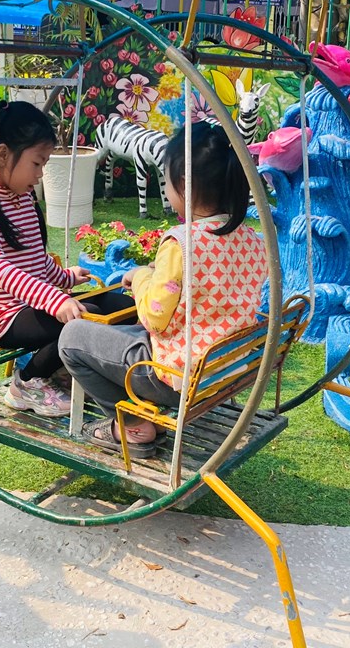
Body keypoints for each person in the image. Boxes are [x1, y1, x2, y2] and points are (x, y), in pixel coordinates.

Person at [58, 122, 268, 457]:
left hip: (175, 377)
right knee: (122, 333)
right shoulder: (252, 240)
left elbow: (154, 317)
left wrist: (142, 277)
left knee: (72, 337)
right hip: (223, 372)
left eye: (166, 180)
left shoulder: (181, 244)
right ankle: (139, 414)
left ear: (183, 184)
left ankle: (132, 425)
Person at [0, 100, 134, 416]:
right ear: (3, 154)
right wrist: (54, 299)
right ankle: (26, 383)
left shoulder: (22, 196)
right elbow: (0, 270)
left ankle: (63, 371)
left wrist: (65, 278)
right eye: (37, 164)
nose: (40, 175)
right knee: (84, 318)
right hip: (6, 317)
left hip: (36, 305)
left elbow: (34, 259)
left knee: (122, 306)